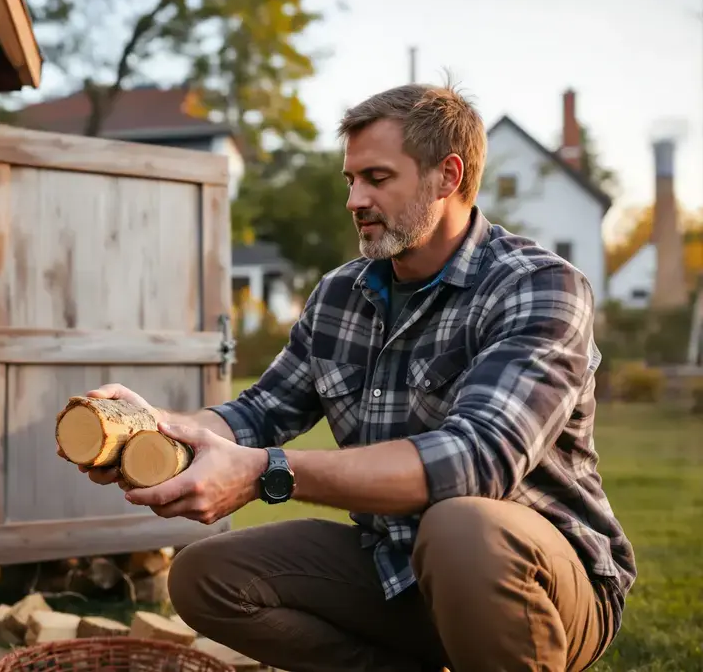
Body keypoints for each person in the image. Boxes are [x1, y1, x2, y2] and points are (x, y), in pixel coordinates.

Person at [77, 82, 636, 672]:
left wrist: (269, 472)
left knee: (459, 525)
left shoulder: (539, 286)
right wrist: (163, 426)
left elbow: (473, 462)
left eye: (377, 178)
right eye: (351, 180)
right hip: (392, 566)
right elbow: (261, 411)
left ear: (446, 176)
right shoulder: (341, 293)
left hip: (539, 582)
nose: (354, 199)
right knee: (205, 576)